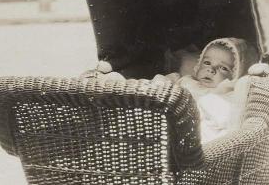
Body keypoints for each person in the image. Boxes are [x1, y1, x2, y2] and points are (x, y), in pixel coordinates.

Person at [81, 38, 256, 142]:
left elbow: (224, 119)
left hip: (190, 135)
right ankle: (118, 86)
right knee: (151, 92)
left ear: (235, 75)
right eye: (207, 63)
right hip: (162, 118)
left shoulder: (224, 95)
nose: (211, 70)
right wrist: (159, 84)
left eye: (223, 68)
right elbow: (164, 84)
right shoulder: (187, 80)